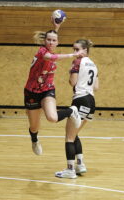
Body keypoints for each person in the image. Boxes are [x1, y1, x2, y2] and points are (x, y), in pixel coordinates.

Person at [24, 18, 84, 155]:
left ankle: (72, 111)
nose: (51, 42)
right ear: (44, 41)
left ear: (57, 42)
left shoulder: (51, 47)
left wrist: (56, 27)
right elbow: (51, 56)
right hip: (31, 92)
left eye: (54, 40)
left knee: (52, 118)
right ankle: (34, 140)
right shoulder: (41, 52)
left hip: (47, 90)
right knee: (34, 127)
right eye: (48, 40)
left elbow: (52, 43)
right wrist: (73, 54)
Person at [55, 39, 99, 179]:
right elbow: (96, 87)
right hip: (91, 101)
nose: (74, 52)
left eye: (76, 49)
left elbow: (72, 82)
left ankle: (70, 170)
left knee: (69, 137)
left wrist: (71, 72)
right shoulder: (94, 65)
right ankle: (80, 165)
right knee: (74, 134)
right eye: (73, 49)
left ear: (85, 50)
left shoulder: (77, 62)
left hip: (80, 99)